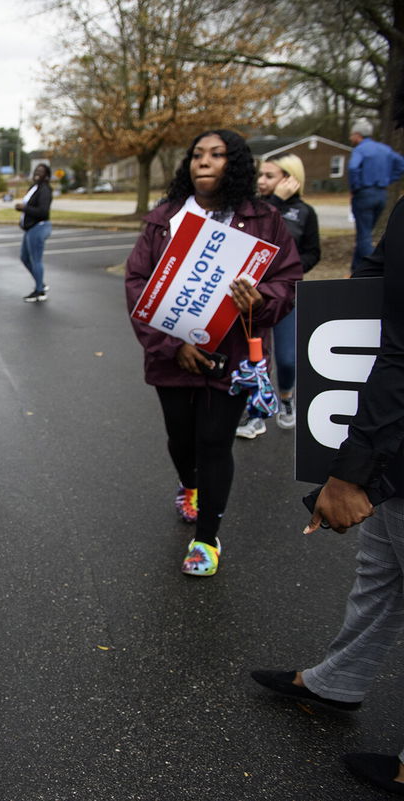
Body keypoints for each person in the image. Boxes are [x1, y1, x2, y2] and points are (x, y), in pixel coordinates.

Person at [251, 193, 404, 795]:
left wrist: (351, 471)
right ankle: (338, 680)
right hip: (392, 440)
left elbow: (398, 351)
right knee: (383, 566)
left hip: (388, 430)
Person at [124, 130, 302, 576]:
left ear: (235, 164)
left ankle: (206, 539)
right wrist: (172, 345)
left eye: (217, 154)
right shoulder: (164, 219)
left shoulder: (263, 220)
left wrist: (261, 298)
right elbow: (138, 286)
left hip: (234, 356)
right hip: (172, 356)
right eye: (197, 154)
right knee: (182, 439)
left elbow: (289, 279)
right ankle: (189, 484)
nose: (204, 161)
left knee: (215, 442)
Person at [236, 154, 320, 439]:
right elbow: (251, 237)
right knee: (255, 359)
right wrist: (277, 203)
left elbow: (312, 251)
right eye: (261, 175)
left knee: (286, 359)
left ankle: (286, 399)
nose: (261, 181)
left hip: (285, 296)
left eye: (269, 176)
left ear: (291, 179)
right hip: (251, 297)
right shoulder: (254, 209)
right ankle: (256, 415)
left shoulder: (305, 212)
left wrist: (293, 269)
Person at [348, 119, 404, 272]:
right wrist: (389, 179)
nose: (350, 138)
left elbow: (353, 168)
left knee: (364, 235)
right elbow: (401, 164)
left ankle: (370, 272)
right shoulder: (384, 149)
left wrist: (355, 187)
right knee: (365, 232)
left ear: (358, 135)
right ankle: (356, 269)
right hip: (381, 194)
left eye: (352, 135)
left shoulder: (360, 150)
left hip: (364, 194)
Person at [15, 164, 53, 302]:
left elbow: (43, 211)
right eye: (36, 170)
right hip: (30, 228)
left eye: (41, 171)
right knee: (24, 257)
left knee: (36, 259)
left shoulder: (45, 190)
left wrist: (25, 208)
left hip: (39, 227)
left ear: (47, 175)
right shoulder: (34, 187)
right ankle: (40, 282)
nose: (37, 172)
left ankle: (39, 291)